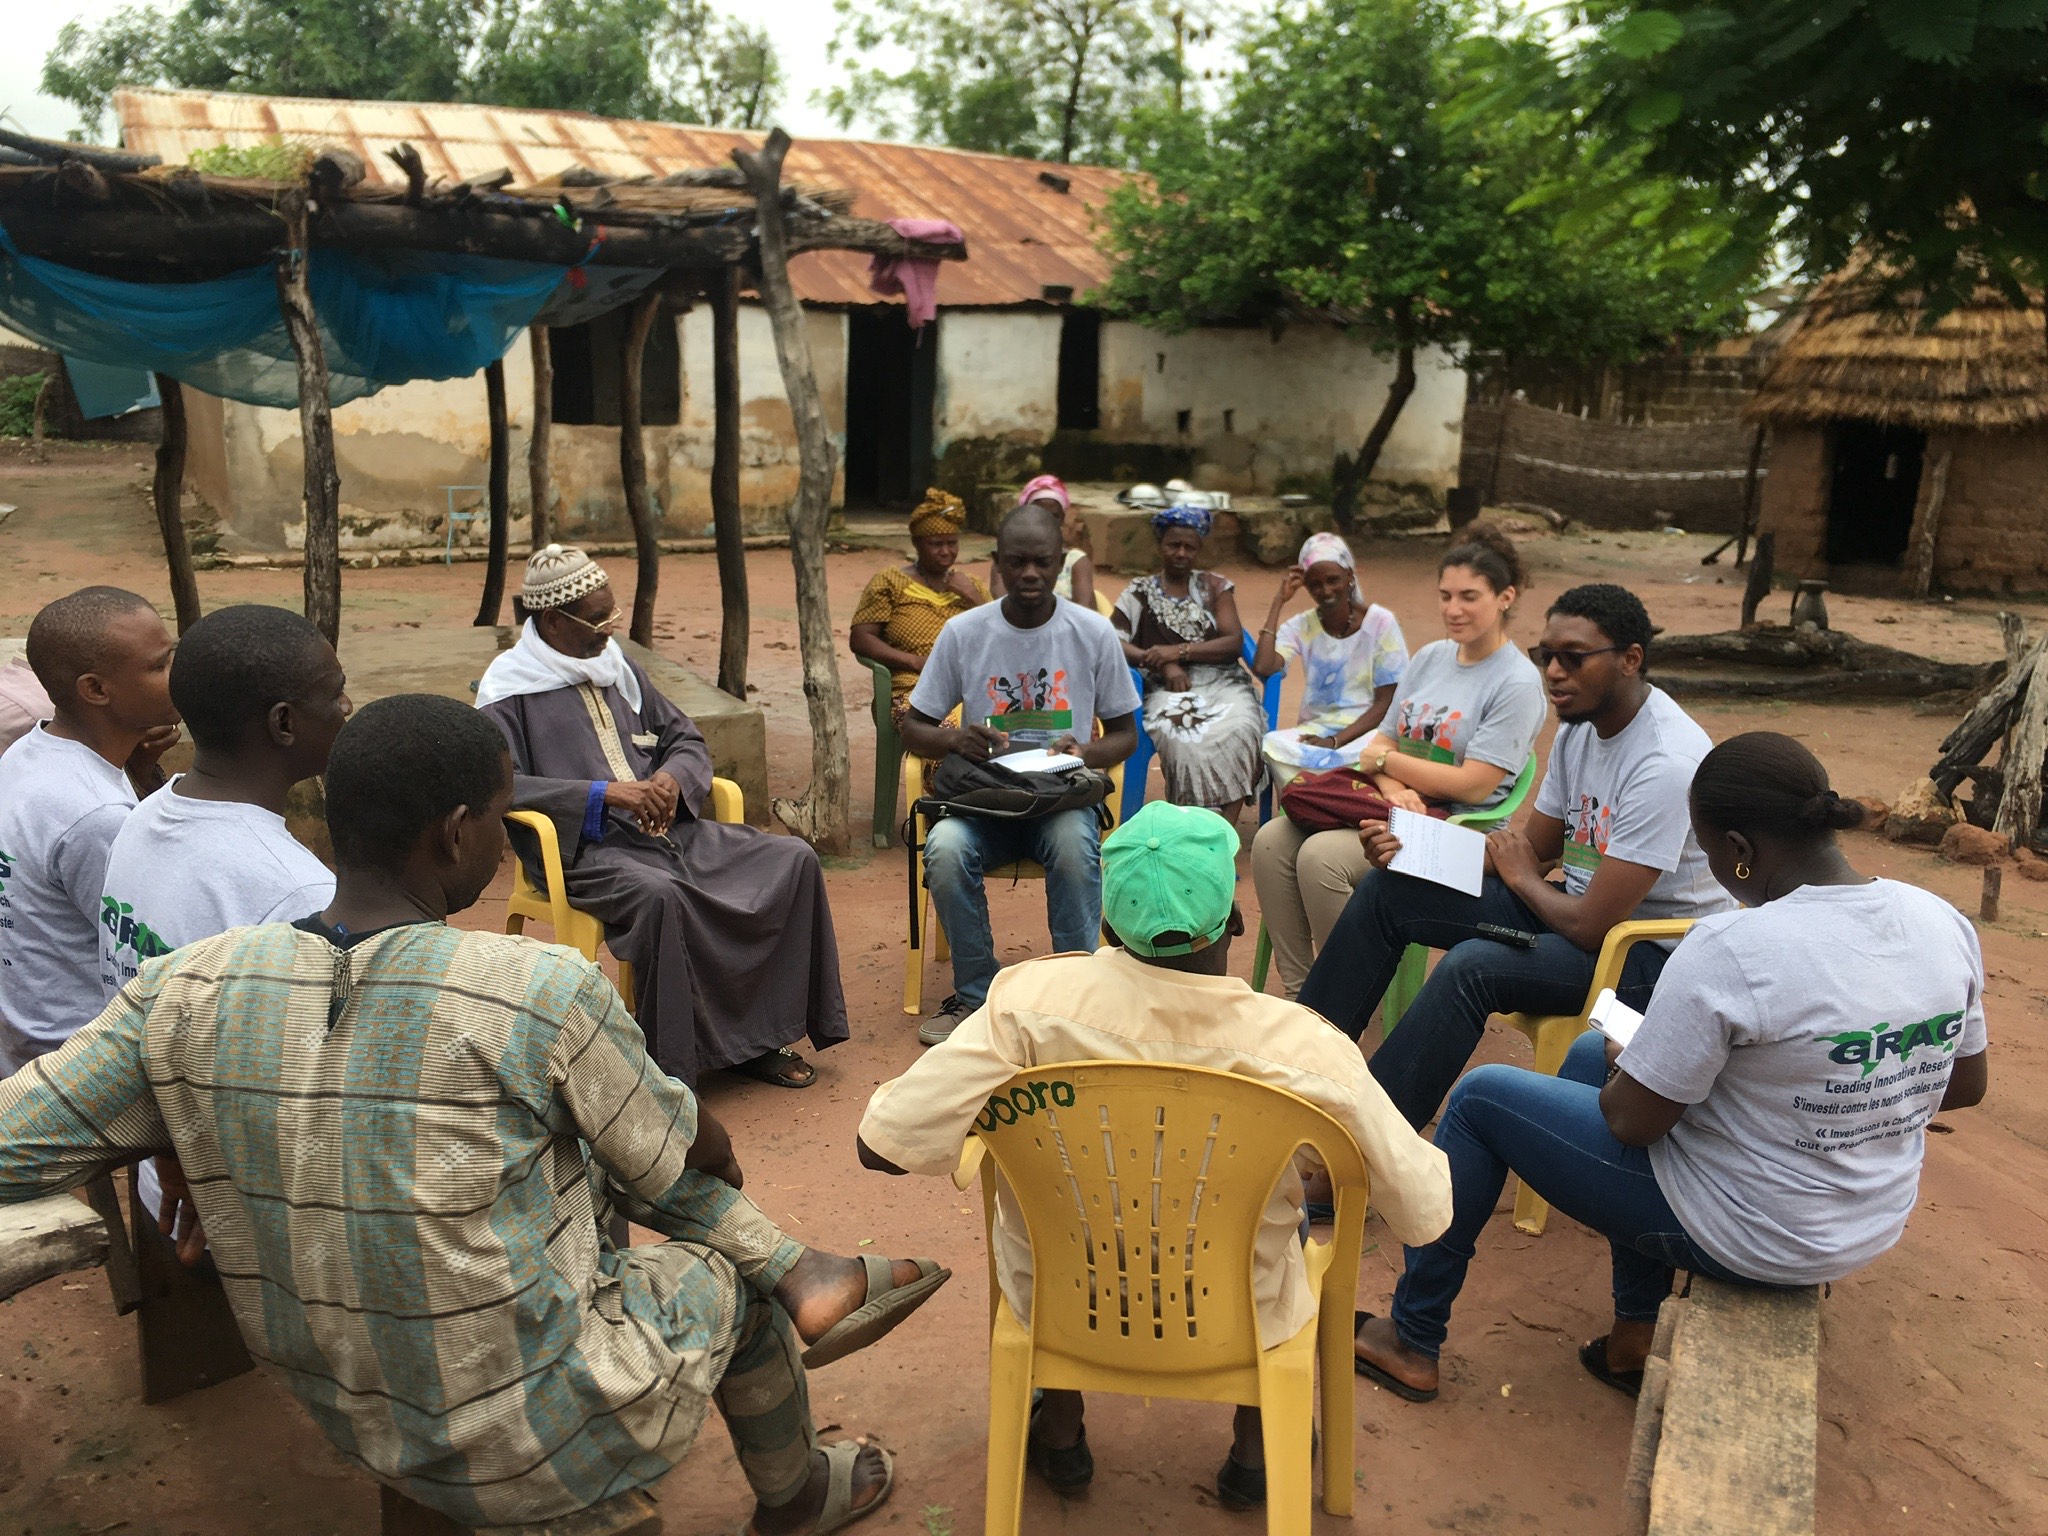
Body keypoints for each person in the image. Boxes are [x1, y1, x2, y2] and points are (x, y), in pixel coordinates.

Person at [0, 694, 950, 1533]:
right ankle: (796, 1483)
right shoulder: (530, 987)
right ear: (456, 832)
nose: (504, 840)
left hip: (346, 1403)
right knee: (689, 1234)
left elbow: (15, 1143)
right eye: (502, 819)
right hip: (526, 1432)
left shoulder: (186, 990)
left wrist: (195, 1115)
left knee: (560, 1146)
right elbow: (696, 1153)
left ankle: (802, 1272)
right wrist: (691, 1150)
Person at [1352, 733, 1990, 1403]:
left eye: (1709, 851)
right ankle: (1635, 1333)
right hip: (1865, 1217)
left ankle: (1412, 1337)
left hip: (1757, 1231)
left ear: (1740, 852)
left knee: (1483, 1099)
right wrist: (1840, 1091)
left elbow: (1631, 1122)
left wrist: (1641, 1066)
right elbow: (1965, 1084)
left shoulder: (1732, 946)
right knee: (1580, 1056)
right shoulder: (1938, 919)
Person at [856, 801, 1451, 1507]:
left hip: (1064, 1298)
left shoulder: (1025, 1009)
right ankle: (1257, 1449)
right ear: (1233, 921)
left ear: (1107, 926)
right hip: (1237, 1310)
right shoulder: (1304, 1047)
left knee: (1069, 1200)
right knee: (1279, 1219)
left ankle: (1061, 1430)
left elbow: (879, 1147)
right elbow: (1426, 1210)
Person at [1298, 583, 1735, 1132]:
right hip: (1571, 913)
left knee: (1474, 967)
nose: (1554, 672)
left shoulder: (1665, 761)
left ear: (1630, 660)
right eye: (1545, 656)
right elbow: (1531, 850)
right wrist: (1418, 850)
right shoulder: (1583, 729)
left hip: (1649, 958)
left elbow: (1591, 923)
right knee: (1390, 891)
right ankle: (1299, 1078)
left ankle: (1370, 1146)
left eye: (1573, 658)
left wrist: (1525, 878)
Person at [478, 545, 847, 1090]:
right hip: (591, 855)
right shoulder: (507, 690)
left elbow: (684, 737)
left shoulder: (616, 667)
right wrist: (604, 795)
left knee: (793, 859)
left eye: (613, 613)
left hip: (675, 835)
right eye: (598, 617)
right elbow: (500, 787)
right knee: (662, 897)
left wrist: (673, 777)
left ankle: (757, 1039)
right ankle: (673, 1068)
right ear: (553, 621)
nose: (610, 627)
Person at [98, 603, 351, 1230]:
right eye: (336, 694)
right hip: (249, 1219)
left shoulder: (145, 815)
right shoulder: (294, 890)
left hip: (166, 1179)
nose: (347, 709)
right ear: (284, 723)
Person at [1251, 525, 1547, 998]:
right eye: (1445, 595)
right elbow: (1376, 747)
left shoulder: (1516, 683)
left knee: (1321, 858)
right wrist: (1389, 781)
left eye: (1470, 596)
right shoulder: (1430, 658)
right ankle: (1301, 993)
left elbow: (1472, 786)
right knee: (1270, 841)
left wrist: (1388, 763)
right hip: (1394, 808)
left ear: (1505, 597)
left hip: (1458, 829)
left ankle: (1339, 999)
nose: (1454, 609)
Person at [898, 504, 1141, 1045]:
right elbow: (914, 728)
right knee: (944, 850)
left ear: (1060, 562)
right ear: (998, 565)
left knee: (1077, 851)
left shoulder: (1092, 632)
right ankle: (976, 998)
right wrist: (957, 738)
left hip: (1058, 798)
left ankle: (1076, 998)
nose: (1030, 574)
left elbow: (1126, 733)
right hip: (983, 799)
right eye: (1017, 562)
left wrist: (1087, 750)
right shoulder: (964, 632)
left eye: (1042, 562)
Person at [0, 587, 179, 1074]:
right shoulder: (95, 816)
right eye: (159, 666)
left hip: (25, 1045)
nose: (178, 675)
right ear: (96, 690)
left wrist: (140, 770)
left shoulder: (28, 752)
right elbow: (150, 958)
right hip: (80, 1069)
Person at [1111, 501, 1265, 824]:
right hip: (1164, 689)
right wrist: (1160, 663)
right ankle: (1191, 829)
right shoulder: (1138, 592)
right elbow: (1112, 640)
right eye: (1174, 545)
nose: (1181, 553)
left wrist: (1178, 652)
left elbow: (1233, 641)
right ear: (1160, 545)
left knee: (1244, 726)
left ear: (1198, 549)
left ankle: (1223, 835)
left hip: (1224, 682)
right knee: (1183, 739)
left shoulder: (1214, 587)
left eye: (1189, 547)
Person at [1250, 532, 1408, 789]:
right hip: (1317, 730)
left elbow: (1387, 702)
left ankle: (1318, 799)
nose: (1325, 591)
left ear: (1350, 577)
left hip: (1368, 731)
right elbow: (1264, 666)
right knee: (1271, 744)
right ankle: (1312, 802)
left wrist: (1336, 741)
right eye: (1315, 584)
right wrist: (1278, 602)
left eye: (1333, 580)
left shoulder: (1380, 623)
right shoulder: (1303, 626)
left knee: (1374, 754)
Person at [849, 488, 989, 730]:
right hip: (911, 690)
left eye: (952, 543)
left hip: (969, 690)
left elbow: (1003, 634)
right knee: (950, 736)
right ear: (916, 543)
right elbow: (861, 638)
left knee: (1004, 733)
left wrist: (973, 597)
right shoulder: (890, 582)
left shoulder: (971, 585)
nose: (946, 551)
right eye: (936, 544)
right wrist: (914, 662)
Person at [987, 474, 1096, 609]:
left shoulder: (1076, 561)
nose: (1045, 521)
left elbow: (1085, 610)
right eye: (1039, 512)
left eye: (1053, 516)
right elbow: (1001, 600)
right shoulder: (1007, 557)